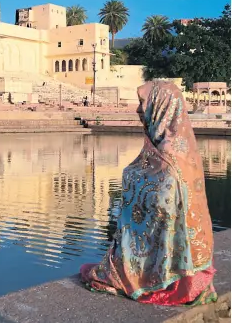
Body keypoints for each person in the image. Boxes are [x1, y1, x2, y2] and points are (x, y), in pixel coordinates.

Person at [80, 80, 217, 306]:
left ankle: (146, 277)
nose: (139, 110)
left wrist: (132, 176)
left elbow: (161, 197)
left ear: (162, 106)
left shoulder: (171, 159)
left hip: (175, 274)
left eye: (143, 102)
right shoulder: (176, 147)